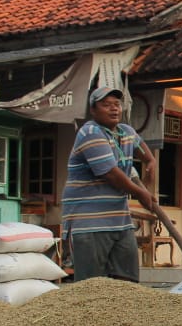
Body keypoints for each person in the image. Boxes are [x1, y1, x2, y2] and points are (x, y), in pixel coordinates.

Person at [61, 86, 157, 282]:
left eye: (117, 104)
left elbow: (146, 154)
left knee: (127, 281)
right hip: (89, 222)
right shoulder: (90, 133)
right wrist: (141, 193)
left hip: (119, 220)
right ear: (93, 110)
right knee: (92, 285)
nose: (114, 109)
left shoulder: (126, 132)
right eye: (106, 105)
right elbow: (111, 174)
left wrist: (150, 166)